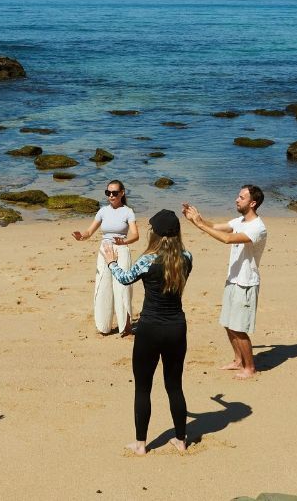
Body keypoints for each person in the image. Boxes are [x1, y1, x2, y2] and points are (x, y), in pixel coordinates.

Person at [102, 209, 192, 455]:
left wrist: (111, 261)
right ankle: (181, 440)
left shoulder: (147, 259)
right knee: (175, 386)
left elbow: (124, 278)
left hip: (150, 328)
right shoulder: (187, 257)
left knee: (143, 387)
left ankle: (141, 444)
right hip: (176, 328)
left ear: (157, 233)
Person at [182, 185, 267, 380]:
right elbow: (214, 227)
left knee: (239, 327)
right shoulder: (240, 221)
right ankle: (238, 360)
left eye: (241, 197)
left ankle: (250, 368)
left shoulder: (258, 228)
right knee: (229, 323)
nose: (237, 200)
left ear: (252, 203)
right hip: (233, 279)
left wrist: (201, 225)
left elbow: (228, 239)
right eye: (238, 196)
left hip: (246, 282)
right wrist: (196, 219)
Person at [72, 179, 138, 336]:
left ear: (122, 193)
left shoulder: (128, 211)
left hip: (121, 249)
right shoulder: (102, 211)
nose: (111, 196)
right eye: (108, 192)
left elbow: (135, 235)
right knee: (103, 286)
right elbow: (89, 232)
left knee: (123, 287)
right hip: (105, 249)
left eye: (115, 193)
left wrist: (124, 241)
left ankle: (126, 326)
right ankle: (104, 326)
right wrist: (81, 236)